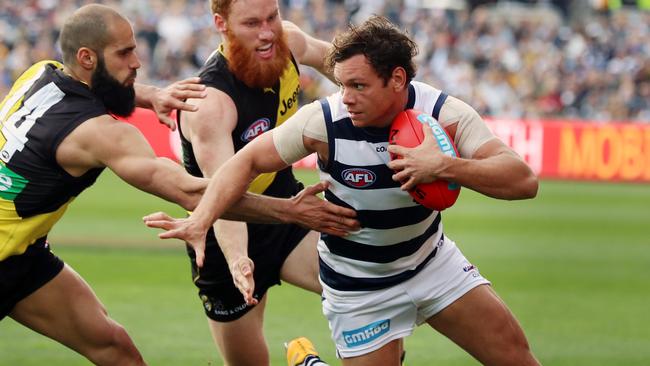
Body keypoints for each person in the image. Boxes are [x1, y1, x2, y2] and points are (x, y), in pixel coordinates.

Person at [145, 15, 541, 366]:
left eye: (358, 85)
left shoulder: (444, 113)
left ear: (398, 79)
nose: (345, 96)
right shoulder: (323, 121)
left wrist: (443, 165)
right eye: (342, 84)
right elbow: (243, 163)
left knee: (517, 359)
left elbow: (523, 180)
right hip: (359, 287)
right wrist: (203, 220)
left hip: (433, 264)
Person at [0, 4, 358, 366]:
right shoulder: (101, 134)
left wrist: (149, 93)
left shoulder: (40, 73)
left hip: (22, 254)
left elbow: (91, 86)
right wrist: (289, 211)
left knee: (115, 347)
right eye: (125, 53)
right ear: (87, 57)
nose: (138, 61)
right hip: (8, 252)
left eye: (135, 48)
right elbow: (196, 193)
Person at [168, 0, 338, 364]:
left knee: (370, 290)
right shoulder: (208, 103)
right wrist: (239, 259)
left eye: (272, 17)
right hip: (224, 233)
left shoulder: (288, 41)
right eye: (251, 23)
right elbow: (225, 195)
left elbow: (335, 61)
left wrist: (376, 94)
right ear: (221, 24)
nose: (267, 33)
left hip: (288, 208)